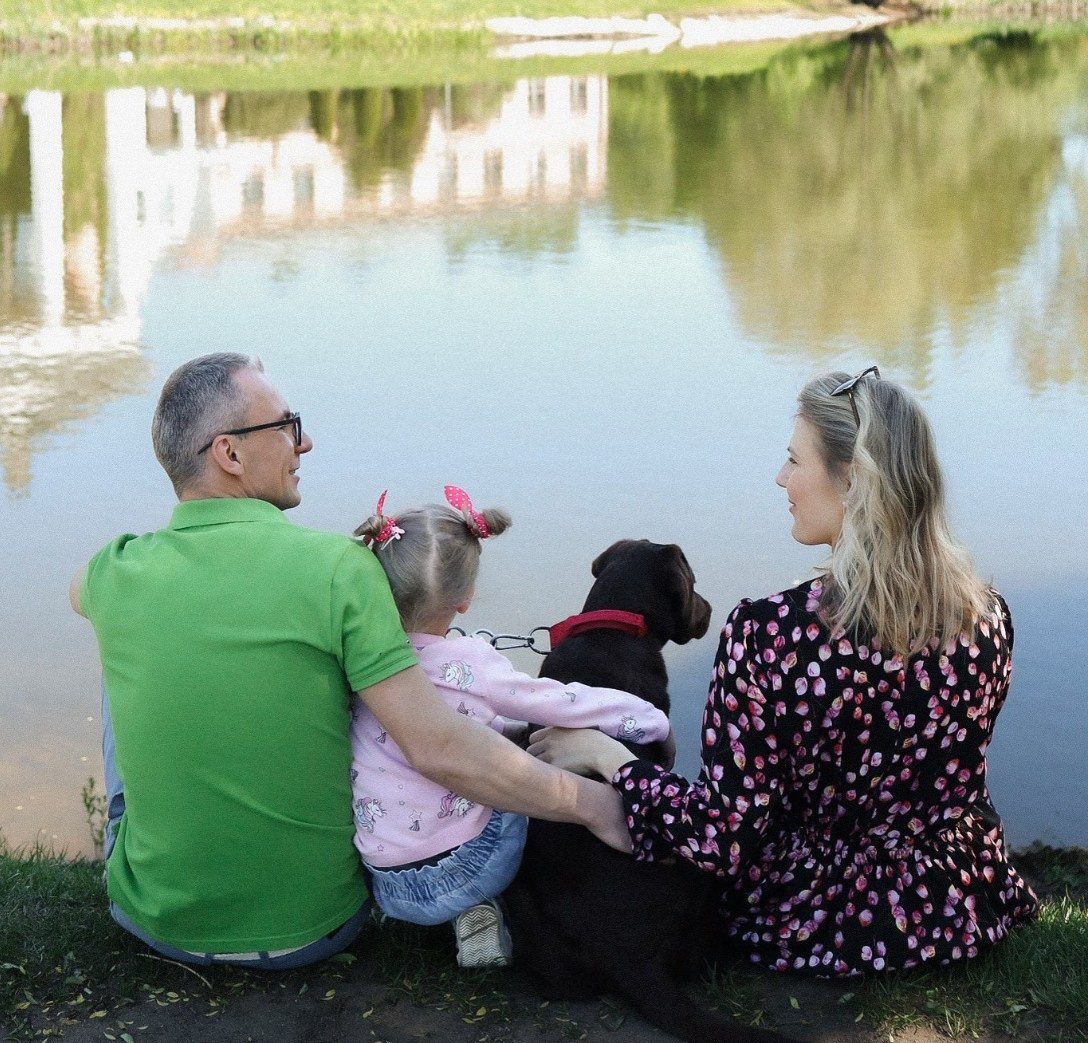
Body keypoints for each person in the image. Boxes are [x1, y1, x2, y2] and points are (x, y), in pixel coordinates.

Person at [69, 351, 630, 970]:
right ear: (229, 454)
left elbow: (76, 593)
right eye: (286, 426)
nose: (305, 443)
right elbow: (437, 747)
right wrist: (592, 805)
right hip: (313, 928)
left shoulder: (112, 570)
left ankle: (177, 865)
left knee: (124, 646)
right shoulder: (340, 569)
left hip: (154, 920)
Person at [529, 367, 1038, 976]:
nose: (781, 477)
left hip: (810, 919)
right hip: (958, 907)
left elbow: (721, 838)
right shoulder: (988, 613)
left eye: (795, 460)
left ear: (851, 480)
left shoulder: (766, 633)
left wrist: (606, 756)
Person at [349, 488, 672, 967]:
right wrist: (650, 719)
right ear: (465, 598)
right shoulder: (470, 662)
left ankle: (460, 916)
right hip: (468, 868)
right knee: (513, 781)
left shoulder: (359, 661)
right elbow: (561, 702)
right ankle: (485, 906)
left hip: (388, 884)